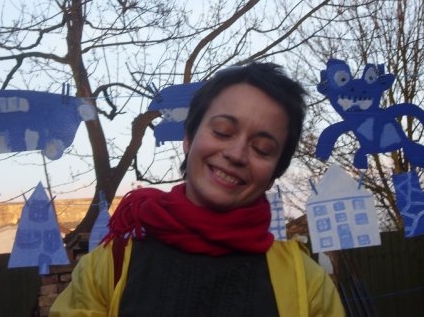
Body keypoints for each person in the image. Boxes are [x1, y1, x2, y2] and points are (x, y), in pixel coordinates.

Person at [50, 62, 345, 316]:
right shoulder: (107, 267)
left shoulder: (307, 285)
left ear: (273, 175)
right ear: (189, 138)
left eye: (262, 149)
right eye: (222, 132)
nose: (236, 154)